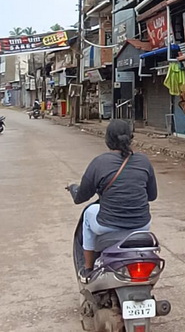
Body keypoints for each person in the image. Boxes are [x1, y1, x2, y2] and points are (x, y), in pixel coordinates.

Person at [67, 120, 157, 282]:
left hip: (107, 224)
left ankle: (87, 269)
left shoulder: (100, 162)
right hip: (142, 224)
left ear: (107, 139)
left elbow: (81, 197)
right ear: (130, 138)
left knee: (88, 213)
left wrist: (73, 188)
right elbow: (152, 196)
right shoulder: (144, 161)